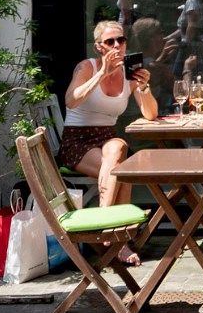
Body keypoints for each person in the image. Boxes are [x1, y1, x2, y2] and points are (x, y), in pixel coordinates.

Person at [60, 20, 158, 213]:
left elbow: (151, 113)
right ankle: (115, 231)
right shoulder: (87, 68)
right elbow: (70, 101)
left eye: (121, 40)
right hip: (77, 140)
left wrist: (144, 87)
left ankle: (108, 227)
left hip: (107, 138)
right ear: (99, 47)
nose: (116, 46)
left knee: (120, 145)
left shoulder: (129, 73)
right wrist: (102, 74)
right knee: (122, 172)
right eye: (110, 42)